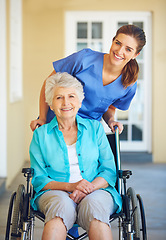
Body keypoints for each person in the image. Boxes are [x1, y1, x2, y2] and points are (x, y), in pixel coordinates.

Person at [29, 72, 122, 240]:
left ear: (79, 102)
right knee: (60, 208)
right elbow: (39, 179)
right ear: (50, 104)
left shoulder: (95, 129)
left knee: (95, 208)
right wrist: (70, 187)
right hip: (55, 191)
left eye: (71, 96)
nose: (66, 103)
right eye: (59, 98)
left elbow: (108, 170)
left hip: (96, 189)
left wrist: (89, 188)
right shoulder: (40, 135)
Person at [30, 24, 146, 134]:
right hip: (56, 124)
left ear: (136, 55)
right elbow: (49, 85)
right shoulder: (84, 59)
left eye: (128, 49)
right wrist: (43, 118)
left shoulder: (129, 84)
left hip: (87, 133)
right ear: (112, 41)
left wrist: (110, 120)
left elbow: (110, 107)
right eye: (118, 43)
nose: (120, 51)